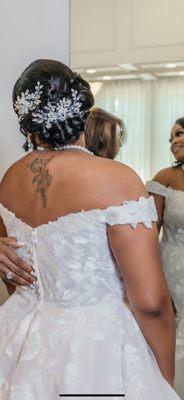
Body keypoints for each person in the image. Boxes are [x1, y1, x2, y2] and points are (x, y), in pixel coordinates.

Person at [0, 59, 181, 399]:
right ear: (83, 111)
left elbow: (16, 274)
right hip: (97, 348)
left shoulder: (9, 179)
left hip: (20, 337)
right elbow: (152, 301)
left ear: (26, 123)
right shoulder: (116, 180)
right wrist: (162, 377)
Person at [146, 117, 184, 398]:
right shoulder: (163, 179)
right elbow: (150, 234)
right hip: (173, 266)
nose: (175, 142)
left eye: (180, 134)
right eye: (172, 137)